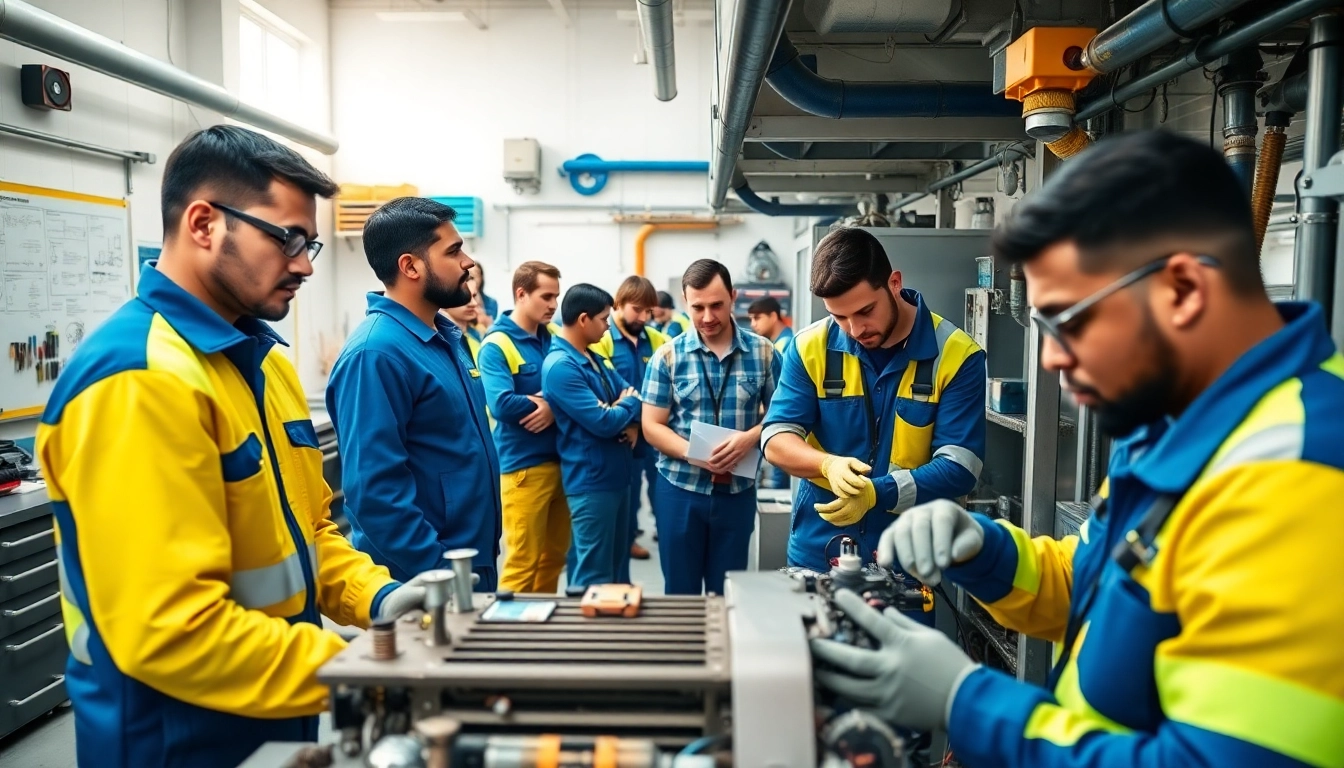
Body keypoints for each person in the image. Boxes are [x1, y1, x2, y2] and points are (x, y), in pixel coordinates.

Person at [811, 131, 1344, 768]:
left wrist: (967, 702)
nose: (1053, 358)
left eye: (1068, 321)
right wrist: (984, 550)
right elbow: (1093, 585)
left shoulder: (1300, 470)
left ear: (1181, 291)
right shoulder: (1169, 427)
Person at [34, 126, 425, 768]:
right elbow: (168, 631)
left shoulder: (262, 365)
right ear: (204, 223)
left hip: (274, 712)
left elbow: (307, 534)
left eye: (312, 244)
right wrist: (363, 667)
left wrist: (378, 598)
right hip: (176, 738)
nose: (304, 264)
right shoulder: (139, 380)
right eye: (288, 238)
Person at [761, 227, 985, 615]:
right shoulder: (808, 347)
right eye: (839, 316)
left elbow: (961, 466)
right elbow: (776, 436)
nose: (854, 329)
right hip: (818, 549)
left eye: (865, 311)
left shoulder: (957, 355)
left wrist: (875, 493)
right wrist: (826, 465)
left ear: (894, 283)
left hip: (907, 555)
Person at [327, 197, 502, 589]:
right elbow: (375, 496)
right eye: (453, 251)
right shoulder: (377, 354)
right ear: (410, 266)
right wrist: (442, 574)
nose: (468, 262)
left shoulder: (446, 338)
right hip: (425, 581)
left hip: (469, 561)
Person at [641, 260, 781, 595]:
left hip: (737, 492)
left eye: (716, 305)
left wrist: (750, 438)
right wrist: (695, 454)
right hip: (679, 490)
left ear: (733, 297)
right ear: (685, 302)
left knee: (728, 590)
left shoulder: (763, 353)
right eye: (698, 307)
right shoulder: (667, 357)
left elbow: (783, 415)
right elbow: (651, 426)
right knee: (680, 591)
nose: (707, 317)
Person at [543, 284, 643, 586]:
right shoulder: (561, 367)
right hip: (592, 482)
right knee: (592, 577)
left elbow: (633, 392)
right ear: (584, 319)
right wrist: (625, 404)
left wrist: (625, 410)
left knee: (616, 571)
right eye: (604, 319)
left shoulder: (593, 358)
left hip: (616, 476)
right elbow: (603, 421)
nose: (608, 325)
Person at [479, 261, 569, 594]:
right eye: (546, 296)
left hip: (563, 463)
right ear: (521, 294)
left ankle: (541, 630)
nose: (553, 305)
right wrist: (551, 401)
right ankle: (507, 637)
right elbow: (501, 404)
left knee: (554, 558)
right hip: (524, 471)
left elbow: (580, 383)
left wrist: (552, 406)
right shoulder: (497, 344)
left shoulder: (556, 336)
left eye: (556, 297)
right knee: (523, 562)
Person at [591, 275, 668, 562]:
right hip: (625, 431)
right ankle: (628, 538)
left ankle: (667, 531)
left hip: (656, 428)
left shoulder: (659, 339)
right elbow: (608, 388)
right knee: (630, 489)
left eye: (649, 311)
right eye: (637, 309)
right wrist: (633, 420)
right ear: (618, 304)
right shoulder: (603, 340)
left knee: (662, 486)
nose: (643, 317)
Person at [443, 275, 484, 363]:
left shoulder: (478, 334)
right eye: (464, 296)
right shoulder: (441, 340)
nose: (473, 303)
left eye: (474, 296)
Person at [472, 262, 500, 330]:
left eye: (476, 274)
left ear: (481, 277)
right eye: (470, 274)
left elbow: (491, 324)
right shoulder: (459, 300)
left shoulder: (492, 302)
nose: (473, 278)